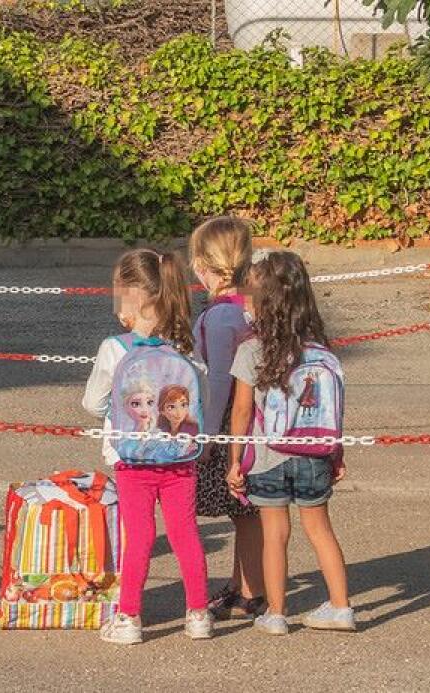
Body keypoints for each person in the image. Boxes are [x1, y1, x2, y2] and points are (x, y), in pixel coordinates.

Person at [83, 248, 211, 645]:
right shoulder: (184, 346)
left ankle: (130, 618)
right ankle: (199, 614)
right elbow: (201, 397)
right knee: (185, 532)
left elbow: (92, 403)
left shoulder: (114, 348)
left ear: (129, 298)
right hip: (179, 457)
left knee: (138, 536)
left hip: (133, 458)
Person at [227, 251, 355, 635]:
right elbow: (334, 410)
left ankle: (277, 613)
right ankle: (341, 607)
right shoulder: (321, 350)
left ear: (262, 300)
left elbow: (241, 412)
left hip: (268, 457)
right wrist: (336, 453)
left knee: (274, 534)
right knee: (320, 530)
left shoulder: (252, 349)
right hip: (315, 453)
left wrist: (236, 461)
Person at [189, 216, 266, 621]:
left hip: (231, 422)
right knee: (245, 511)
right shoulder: (251, 307)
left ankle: (252, 590)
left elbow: (220, 380)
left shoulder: (220, 317)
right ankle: (241, 584)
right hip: (256, 417)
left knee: (244, 510)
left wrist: (206, 438)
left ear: (206, 266)